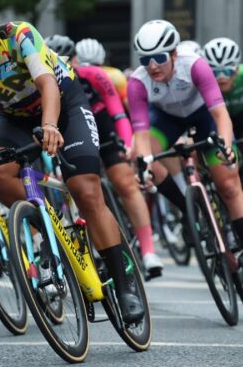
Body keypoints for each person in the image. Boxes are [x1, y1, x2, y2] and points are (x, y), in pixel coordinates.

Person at [0, 0, 144, 323]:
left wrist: (49, 125)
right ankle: (50, 227)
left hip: (64, 105)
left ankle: (125, 282)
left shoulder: (19, 35)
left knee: (86, 189)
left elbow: (47, 84)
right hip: (16, 119)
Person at [47, 34, 163, 278]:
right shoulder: (43, 79)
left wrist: (127, 143)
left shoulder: (95, 75)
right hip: (66, 128)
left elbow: (118, 113)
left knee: (125, 182)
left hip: (102, 123)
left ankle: (149, 251)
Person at [129, 20, 243, 254]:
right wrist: (142, 164)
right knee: (146, 160)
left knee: (229, 186)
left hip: (203, 117)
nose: (152, 66)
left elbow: (221, 114)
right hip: (166, 119)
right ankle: (189, 211)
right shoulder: (137, 82)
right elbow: (140, 135)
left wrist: (226, 145)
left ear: (174, 54)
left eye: (159, 58)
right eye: (144, 60)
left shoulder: (194, 65)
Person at [202, 38, 243, 138]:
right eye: (215, 72)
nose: (221, 77)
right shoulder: (201, 83)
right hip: (217, 122)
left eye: (227, 71)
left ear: (236, 70)